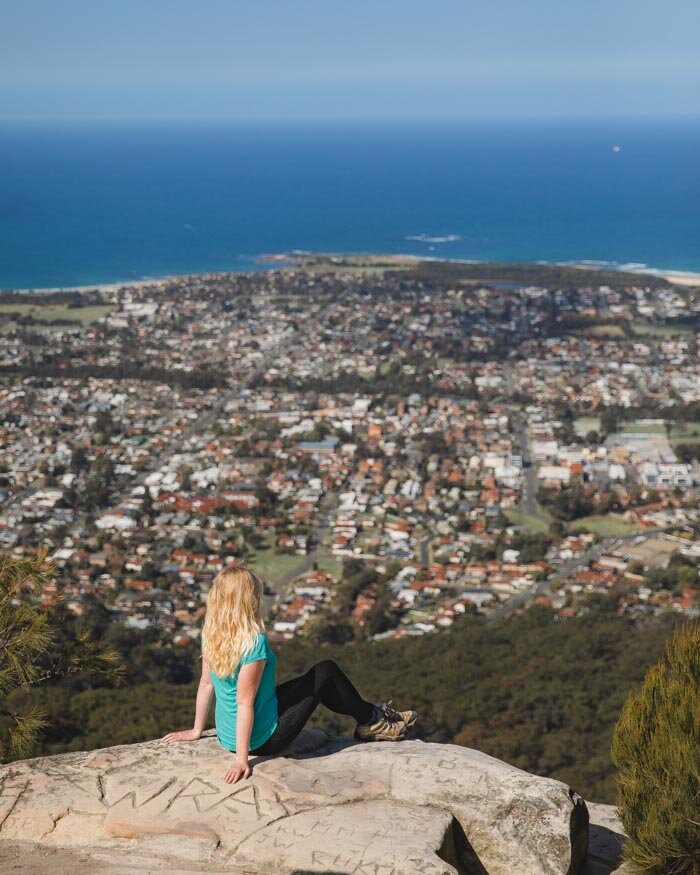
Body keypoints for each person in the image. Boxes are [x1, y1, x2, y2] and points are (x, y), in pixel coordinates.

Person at [162, 565, 417, 784]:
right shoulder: (253, 643)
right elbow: (244, 702)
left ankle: (372, 717)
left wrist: (196, 731)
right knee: (326, 672)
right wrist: (242, 759)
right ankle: (374, 721)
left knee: (317, 678)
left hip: (226, 734)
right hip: (262, 740)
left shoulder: (211, 633)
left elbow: (206, 685)